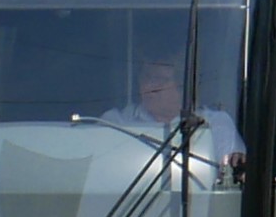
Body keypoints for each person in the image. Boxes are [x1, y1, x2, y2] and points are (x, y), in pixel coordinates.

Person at [104, 54, 245, 173]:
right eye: (145, 77)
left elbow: (230, 177)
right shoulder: (115, 122)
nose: (148, 86)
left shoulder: (216, 123)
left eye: (159, 80)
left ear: (182, 84)